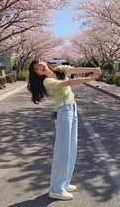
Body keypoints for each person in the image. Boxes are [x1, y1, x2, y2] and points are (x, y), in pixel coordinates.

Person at [27, 60, 102, 201]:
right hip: (62, 111)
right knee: (62, 149)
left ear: (44, 62)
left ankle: (65, 182)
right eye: (37, 69)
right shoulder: (47, 81)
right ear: (36, 73)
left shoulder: (59, 70)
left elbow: (75, 69)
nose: (41, 67)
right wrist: (91, 78)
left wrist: (94, 68)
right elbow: (66, 83)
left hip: (72, 107)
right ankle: (56, 189)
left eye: (40, 64)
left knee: (72, 147)